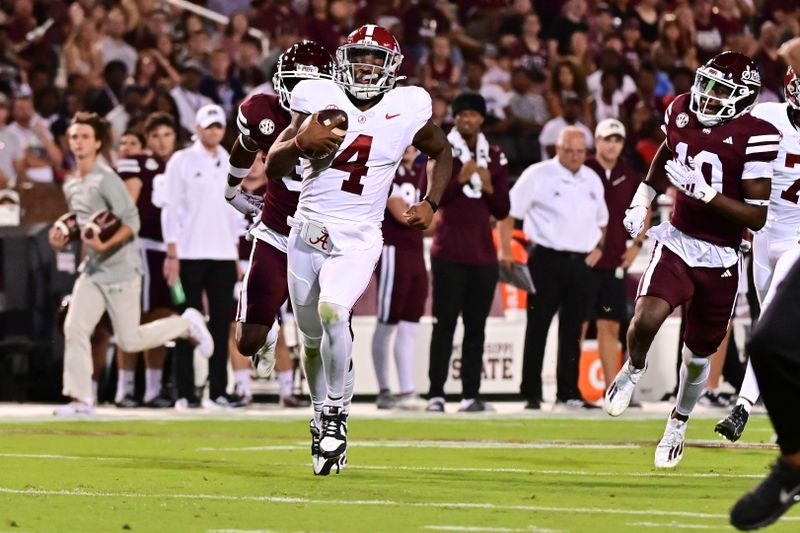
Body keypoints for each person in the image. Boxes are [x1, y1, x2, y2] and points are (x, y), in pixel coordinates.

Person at [265, 24, 453, 474]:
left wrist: (431, 201)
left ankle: (336, 415)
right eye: (359, 57)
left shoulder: (405, 107)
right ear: (343, 60)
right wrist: (298, 143)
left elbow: (442, 153)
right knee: (310, 339)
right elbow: (273, 165)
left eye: (374, 59)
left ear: (391, 68)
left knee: (334, 312)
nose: (365, 67)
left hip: (359, 234)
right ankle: (319, 415)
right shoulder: (316, 98)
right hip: (307, 229)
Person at [604, 52, 780, 468]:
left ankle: (678, 422)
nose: (707, 95)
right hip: (679, 240)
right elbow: (668, 150)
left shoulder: (756, 135)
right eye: (707, 83)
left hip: (721, 254)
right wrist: (642, 197)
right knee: (645, 318)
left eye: (721, 90)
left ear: (742, 99)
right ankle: (633, 368)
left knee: (698, 355)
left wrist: (707, 195)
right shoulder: (682, 110)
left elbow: (757, 216)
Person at [49, 112, 213, 416]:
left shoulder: (107, 178)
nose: (79, 142)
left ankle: (185, 325)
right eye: (74, 137)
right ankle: (81, 399)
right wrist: (63, 236)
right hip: (94, 270)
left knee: (130, 339)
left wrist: (105, 244)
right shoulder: (72, 184)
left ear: (98, 142)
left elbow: (131, 220)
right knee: (74, 327)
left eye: (85, 136)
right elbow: (86, 224)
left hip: (122, 269)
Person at [225, 40, 336, 413]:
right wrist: (232, 188)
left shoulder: (346, 118)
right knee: (247, 340)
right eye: (292, 82)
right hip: (276, 233)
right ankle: (269, 330)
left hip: (325, 240)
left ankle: (330, 410)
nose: (299, 94)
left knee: (328, 331)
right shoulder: (264, 111)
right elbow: (245, 142)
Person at [717, 55, 800, 443]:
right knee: (767, 325)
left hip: (797, 239)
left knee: (768, 318)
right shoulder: (767, 116)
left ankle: (743, 406)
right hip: (763, 233)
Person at [500, 127, 607, 410]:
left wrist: (599, 249)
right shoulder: (537, 174)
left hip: (581, 262)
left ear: (587, 152)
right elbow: (509, 213)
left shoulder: (592, 178)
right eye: (569, 150)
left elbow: (603, 221)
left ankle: (568, 392)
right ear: (557, 149)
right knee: (538, 326)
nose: (574, 156)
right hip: (545, 259)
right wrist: (506, 249)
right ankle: (531, 393)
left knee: (574, 330)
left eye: (580, 152)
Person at [426, 93, 510, 413]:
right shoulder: (442, 152)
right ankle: (436, 393)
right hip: (448, 251)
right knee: (444, 324)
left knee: (476, 328)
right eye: (463, 115)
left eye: (474, 114)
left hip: (483, 255)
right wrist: (458, 179)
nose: (468, 120)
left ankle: (470, 395)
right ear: (455, 119)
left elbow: (503, 208)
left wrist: (488, 186)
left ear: (482, 119)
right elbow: (433, 199)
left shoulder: (496, 155)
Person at [160, 104, 242, 409]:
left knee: (221, 326)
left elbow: (234, 215)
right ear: (197, 128)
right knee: (187, 325)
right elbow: (170, 207)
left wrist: (235, 258)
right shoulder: (181, 161)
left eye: (218, 126)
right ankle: (185, 393)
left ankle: (218, 391)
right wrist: (172, 252)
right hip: (188, 255)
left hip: (222, 256)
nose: (214, 131)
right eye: (208, 126)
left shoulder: (231, 161)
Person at [114, 112, 181, 408]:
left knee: (161, 317)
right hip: (139, 248)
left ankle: (153, 390)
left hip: (170, 252)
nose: (161, 141)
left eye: (166, 134)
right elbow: (125, 206)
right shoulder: (138, 163)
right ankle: (124, 389)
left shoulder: (182, 165)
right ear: (147, 140)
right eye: (155, 136)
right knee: (133, 320)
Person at [583, 119, 647, 390]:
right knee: (578, 324)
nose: (612, 144)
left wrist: (636, 245)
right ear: (596, 141)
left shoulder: (629, 175)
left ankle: (612, 390)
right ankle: (566, 391)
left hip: (613, 265)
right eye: (607, 139)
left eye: (617, 140)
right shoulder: (583, 169)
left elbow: (643, 209)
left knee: (610, 325)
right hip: (582, 261)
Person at [371, 145, 429, 411]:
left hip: (416, 252)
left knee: (409, 323)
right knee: (388, 320)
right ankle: (384, 389)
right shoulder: (385, 170)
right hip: (392, 250)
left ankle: (406, 390)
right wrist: (426, 214)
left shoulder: (421, 172)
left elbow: (434, 220)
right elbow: (401, 213)